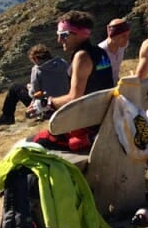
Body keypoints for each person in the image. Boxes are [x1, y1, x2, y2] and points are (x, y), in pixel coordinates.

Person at [31, 11, 115, 151]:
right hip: (104, 118)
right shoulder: (100, 52)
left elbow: (75, 97)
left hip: (88, 128)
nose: (59, 40)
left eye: (63, 35)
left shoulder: (81, 57)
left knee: (33, 143)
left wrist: (46, 103)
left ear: (78, 34)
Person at [0, 43, 71, 126]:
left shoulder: (37, 69)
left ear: (36, 59)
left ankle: (7, 117)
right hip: (65, 102)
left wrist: (29, 87)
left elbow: (34, 93)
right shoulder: (63, 63)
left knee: (15, 87)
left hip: (46, 105)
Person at [100, 18, 132, 83]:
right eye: (123, 36)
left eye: (128, 35)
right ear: (112, 35)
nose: (126, 39)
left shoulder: (122, 45)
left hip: (115, 84)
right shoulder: (101, 52)